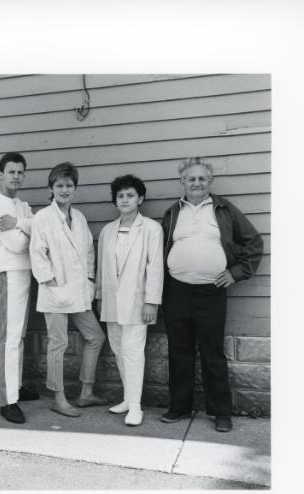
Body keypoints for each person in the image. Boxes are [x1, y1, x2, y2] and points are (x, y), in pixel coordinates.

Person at [161, 157, 263, 432]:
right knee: (179, 351)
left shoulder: (225, 209)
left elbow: (253, 242)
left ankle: (220, 412)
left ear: (210, 182)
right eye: (191, 178)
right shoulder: (172, 213)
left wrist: (237, 272)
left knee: (212, 352)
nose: (196, 183)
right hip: (177, 292)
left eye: (202, 178)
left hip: (211, 292)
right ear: (182, 182)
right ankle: (178, 407)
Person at [30, 162, 106, 418]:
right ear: (51, 188)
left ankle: (85, 392)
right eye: (59, 185)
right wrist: (50, 281)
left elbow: (88, 251)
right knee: (58, 343)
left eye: (69, 185)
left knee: (95, 336)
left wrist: (90, 280)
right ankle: (59, 397)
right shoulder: (43, 217)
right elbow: (37, 253)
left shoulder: (80, 217)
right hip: (56, 292)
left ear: (75, 188)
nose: (65, 190)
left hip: (79, 291)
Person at [96, 175, 163, 426]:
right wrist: (100, 296)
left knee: (134, 351)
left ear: (140, 199)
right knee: (118, 349)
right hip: (112, 301)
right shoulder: (107, 230)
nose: (125, 200)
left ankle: (136, 407)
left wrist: (151, 302)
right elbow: (102, 267)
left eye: (130, 195)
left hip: (137, 301)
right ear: (115, 200)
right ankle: (127, 398)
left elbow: (155, 268)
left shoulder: (151, 229)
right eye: (121, 196)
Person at [0, 152, 38, 424]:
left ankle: (15, 386)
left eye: (20, 172)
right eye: (11, 172)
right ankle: (8, 400)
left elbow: (40, 228)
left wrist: (21, 225)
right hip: (9, 273)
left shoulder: (20, 204)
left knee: (20, 334)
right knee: (11, 336)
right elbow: (17, 245)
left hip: (25, 272)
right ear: (0, 175)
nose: (16, 176)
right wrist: (29, 229)